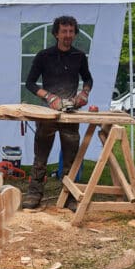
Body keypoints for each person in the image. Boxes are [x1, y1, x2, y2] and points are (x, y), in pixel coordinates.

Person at [22, 16, 93, 211]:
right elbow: (30, 83)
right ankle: (34, 193)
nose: (68, 35)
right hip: (47, 113)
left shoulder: (79, 56)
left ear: (75, 33)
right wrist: (49, 97)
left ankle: (69, 196)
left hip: (70, 112)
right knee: (41, 156)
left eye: (71, 32)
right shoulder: (44, 56)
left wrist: (84, 93)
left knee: (70, 157)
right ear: (56, 33)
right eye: (64, 31)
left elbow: (88, 79)